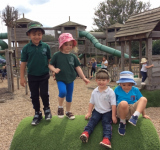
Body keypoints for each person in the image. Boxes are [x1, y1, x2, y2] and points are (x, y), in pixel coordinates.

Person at [49, 33, 90, 120]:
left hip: (70, 79)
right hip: (60, 78)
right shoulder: (57, 55)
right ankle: (60, 107)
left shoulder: (73, 56)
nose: (68, 46)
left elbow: (77, 67)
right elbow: (50, 65)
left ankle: (68, 112)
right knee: (63, 92)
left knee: (69, 96)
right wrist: (54, 70)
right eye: (66, 44)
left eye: (70, 45)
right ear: (61, 45)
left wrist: (83, 77)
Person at [20, 21, 52, 126]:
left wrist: (54, 71)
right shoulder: (26, 48)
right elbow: (23, 63)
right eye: (34, 34)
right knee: (34, 95)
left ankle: (47, 109)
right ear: (29, 35)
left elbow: (49, 61)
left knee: (44, 93)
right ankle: (37, 113)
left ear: (42, 34)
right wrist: (22, 77)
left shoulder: (46, 47)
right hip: (32, 75)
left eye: (39, 34)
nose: (37, 36)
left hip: (43, 75)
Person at [80, 69, 117, 149]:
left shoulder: (110, 92)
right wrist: (89, 113)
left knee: (106, 122)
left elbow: (113, 105)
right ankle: (86, 133)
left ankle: (106, 139)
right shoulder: (95, 91)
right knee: (93, 120)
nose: (101, 82)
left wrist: (113, 116)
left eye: (103, 80)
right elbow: (91, 103)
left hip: (107, 111)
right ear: (96, 80)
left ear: (108, 81)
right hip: (97, 110)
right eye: (99, 80)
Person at [114, 71, 150, 136]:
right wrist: (113, 115)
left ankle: (135, 116)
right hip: (122, 111)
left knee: (144, 99)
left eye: (129, 85)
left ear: (132, 84)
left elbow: (141, 103)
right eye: (124, 85)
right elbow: (113, 103)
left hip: (133, 110)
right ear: (120, 84)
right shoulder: (117, 89)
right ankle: (122, 122)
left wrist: (144, 114)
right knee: (124, 103)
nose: (126, 87)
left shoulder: (135, 90)